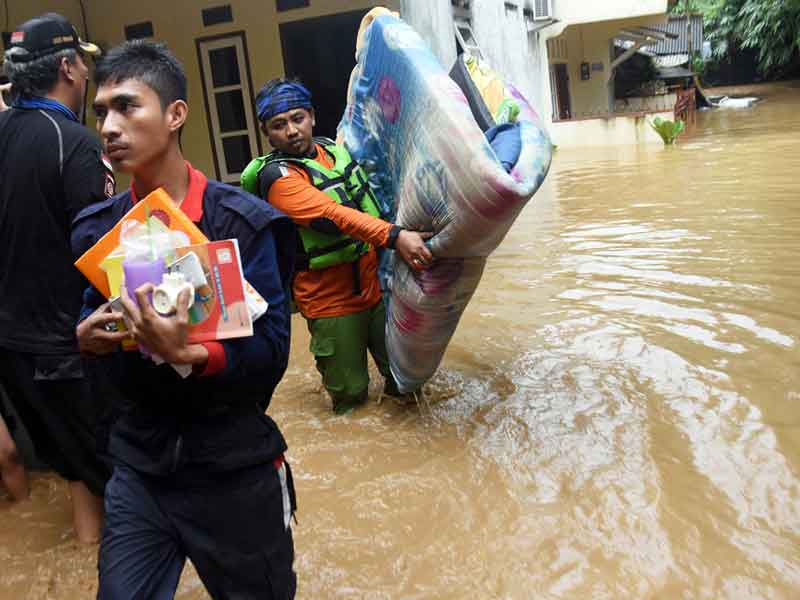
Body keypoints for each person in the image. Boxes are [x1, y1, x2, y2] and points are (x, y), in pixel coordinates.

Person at [72, 40, 297, 599]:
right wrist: (88, 338)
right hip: (140, 469)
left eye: (128, 106)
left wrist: (192, 355)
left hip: (235, 470)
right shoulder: (98, 230)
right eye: (101, 112)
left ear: (175, 116)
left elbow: (272, 352)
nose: (109, 126)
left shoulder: (242, 225)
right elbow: (87, 321)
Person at [242, 78, 434, 414]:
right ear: (267, 133)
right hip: (329, 301)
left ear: (312, 117)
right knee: (352, 397)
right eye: (278, 125)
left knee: (406, 379)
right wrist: (396, 236)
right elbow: (335, 215)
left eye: (297, 118)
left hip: (372, 287)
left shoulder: (333, 149)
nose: (291, 131)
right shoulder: (278, 180)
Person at [0, 12, 115, 540]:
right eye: (85, 63)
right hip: (68, 344)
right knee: (117, 474)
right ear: (68, 67)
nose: (89, 73)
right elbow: (103, 253)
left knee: (76, 466)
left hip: (11, 348)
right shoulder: (76, 143)